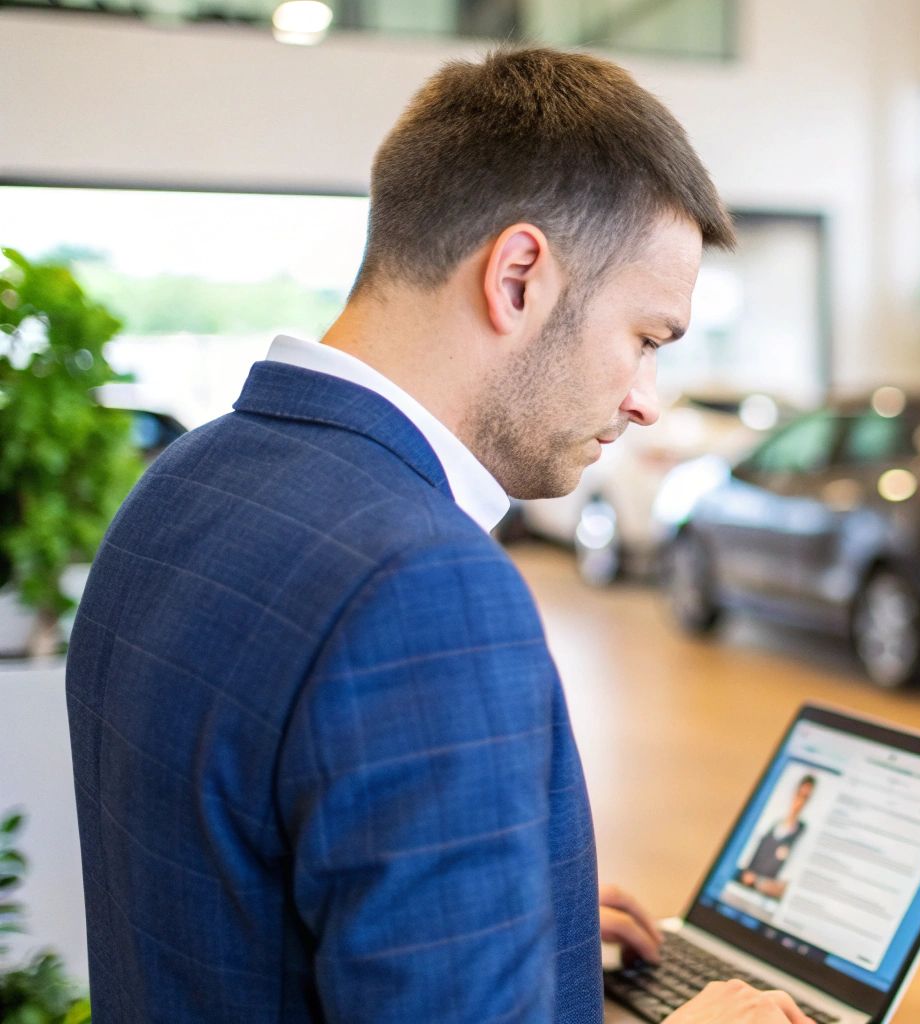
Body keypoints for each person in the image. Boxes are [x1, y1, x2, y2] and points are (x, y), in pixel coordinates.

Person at [65, 47, 808, 1024]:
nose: (644, 403)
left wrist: (502, 929)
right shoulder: (421, 584)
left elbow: (242, 886)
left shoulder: (184, 480)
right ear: (516, 278)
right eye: (645, 339)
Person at [738, 775, 817, 898]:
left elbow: (786, 881)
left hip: (766, 892)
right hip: (743, 881)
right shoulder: (773, 818)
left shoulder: (802, 830)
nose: (800, 801)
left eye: (805, 797)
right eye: (800, 794)